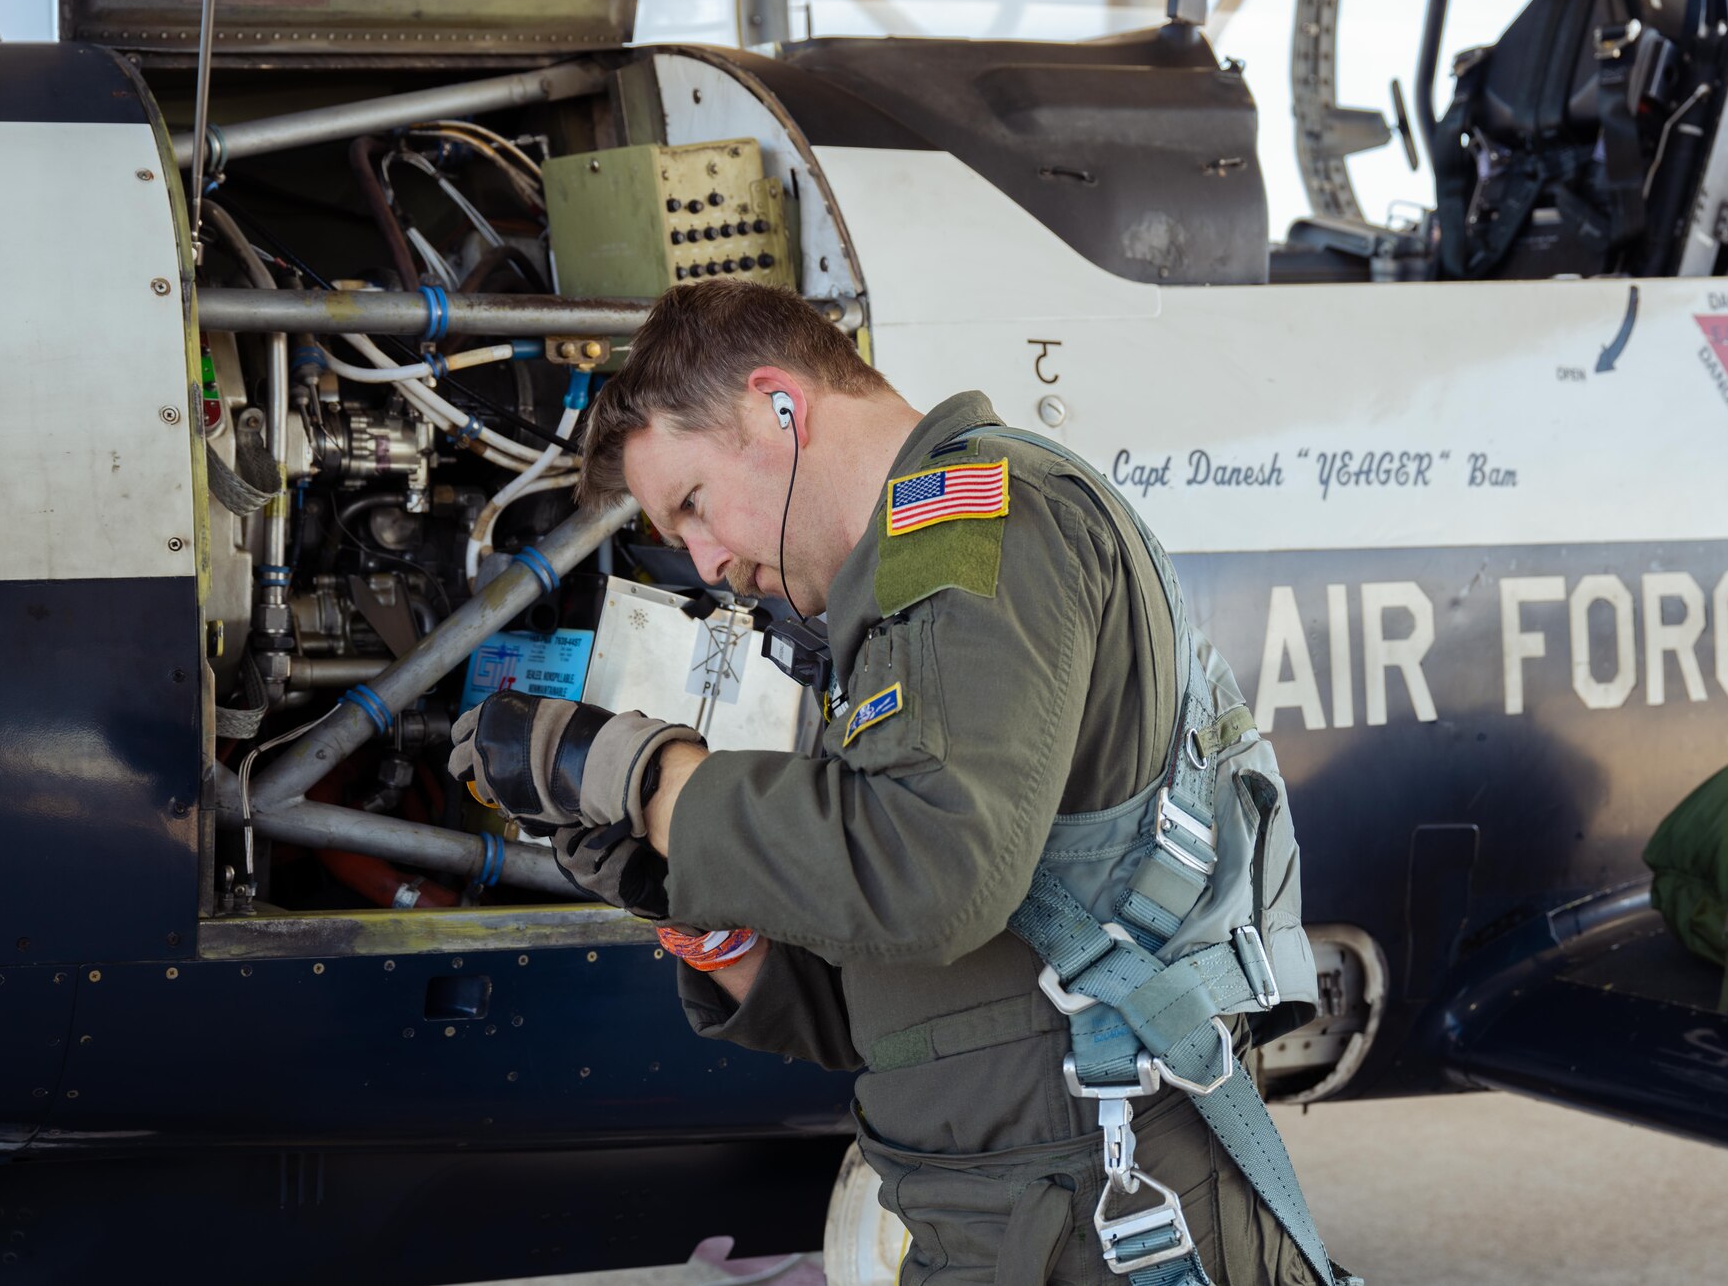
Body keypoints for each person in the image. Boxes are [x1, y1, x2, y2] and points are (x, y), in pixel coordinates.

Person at [451, 279, 1328, 1285]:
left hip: (1104, 1215)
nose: (704, 559)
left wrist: (645, 776)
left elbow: (927, 876)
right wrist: (701, 906)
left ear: (779, 406)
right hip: (1012, 1211)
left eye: (692, 502)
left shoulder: (970, 525)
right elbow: (898, 999)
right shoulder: (885, 610)